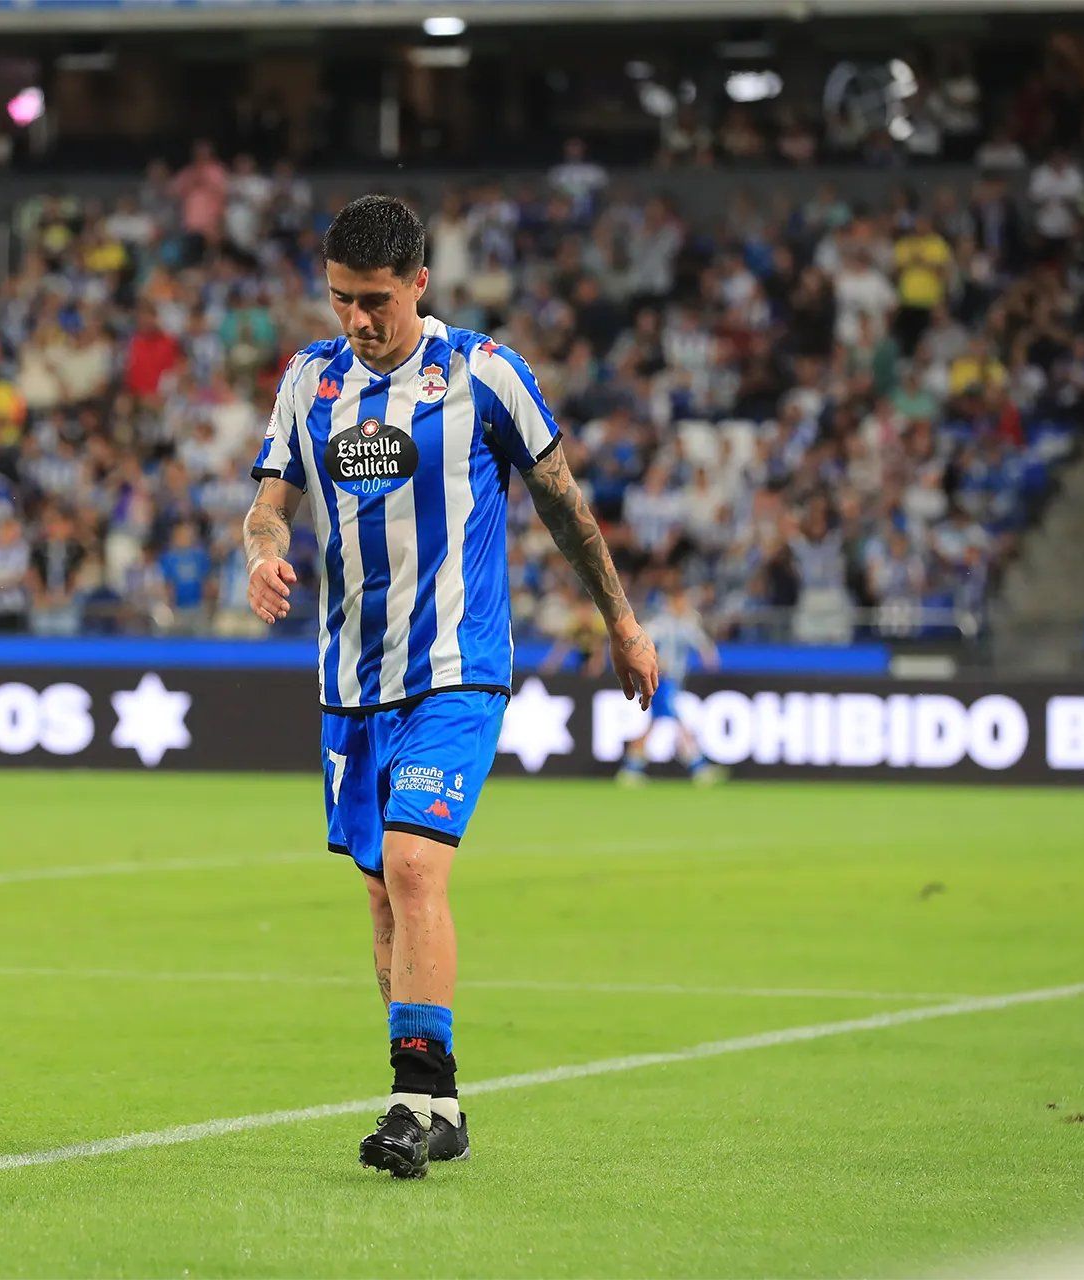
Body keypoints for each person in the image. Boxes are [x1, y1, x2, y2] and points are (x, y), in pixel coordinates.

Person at [241, 195, 658, 1179]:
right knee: (386, 892)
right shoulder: (310, 379)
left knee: (418, 868)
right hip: (350, 680)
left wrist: (622, 620)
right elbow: (268, 502)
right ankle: (441, 1103)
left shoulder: (483, 372)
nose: (357, 319)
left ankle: (403, 1093)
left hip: (457, 670)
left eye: (375, 300)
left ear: (419, 284)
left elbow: (565, 505)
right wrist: (260, 554)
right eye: (341, 298)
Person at [617, 588, 724, 786]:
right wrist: (656, 660)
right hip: (660, 681)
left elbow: (702, 644)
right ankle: (699, 768)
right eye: (680, 601)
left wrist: (709, 657)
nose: (684, 605)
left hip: (672, 681)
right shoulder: (660, 624)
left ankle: (631, 768)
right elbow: (641, 642)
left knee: (660, 723)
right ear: (672, 602)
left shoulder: (685, 624)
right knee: (676, 722)